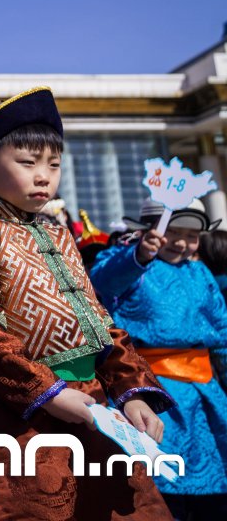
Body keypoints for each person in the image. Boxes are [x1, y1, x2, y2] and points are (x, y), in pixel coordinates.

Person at [0, 87, 172, 520]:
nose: (44, 176)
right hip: (18, 418)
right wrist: (47, 393)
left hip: (93, 408)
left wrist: (131, 392)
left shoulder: (59, 235)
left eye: (54, 164)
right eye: (28, 163)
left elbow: (100, 322)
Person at [89, 198, 227, 519]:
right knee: (159, 485)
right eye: (172, 233)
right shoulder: (127, 262)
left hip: (206, 392)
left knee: (215, 488)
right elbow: (101, 282)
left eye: (191, 236)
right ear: (147, 232)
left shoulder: (199, 271)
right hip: (150, 390)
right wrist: (139, 256)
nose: (181, 243)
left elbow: (221, 329)